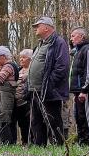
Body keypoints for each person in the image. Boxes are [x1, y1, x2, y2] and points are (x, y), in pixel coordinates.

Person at [27, 17, 70, 146]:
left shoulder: (58, 43)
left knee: (52, 119)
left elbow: (62, 67)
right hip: (35, 90)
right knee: (36, 120)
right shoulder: (41, 44)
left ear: (46, 27)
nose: (36, 28)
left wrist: (50, 84)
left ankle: (58, 145)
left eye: (38, 26)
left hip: (49, 90)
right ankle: (39, 146)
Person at [69, 27, 89, 145]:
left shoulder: (88, 50)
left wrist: (84, 90)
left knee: (86, 115)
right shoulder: (78, 51)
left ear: (82, 36)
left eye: (73, 36)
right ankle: (81, 139)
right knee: (78, 115)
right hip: (77, 89)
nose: (71, 39)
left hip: (85, 90)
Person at [10, 49, 32, 145]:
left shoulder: (31, 70)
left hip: (27, 100)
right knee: (20, 123)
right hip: (16, 101)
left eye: (24, 58)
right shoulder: (18, 70)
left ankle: (30, 141)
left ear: (30, 59)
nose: (21, 60)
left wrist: (26, 76)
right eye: (20, 58)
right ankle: (23, 142)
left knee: (28, 122)